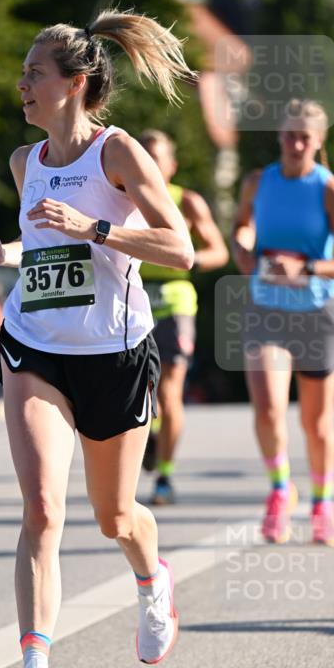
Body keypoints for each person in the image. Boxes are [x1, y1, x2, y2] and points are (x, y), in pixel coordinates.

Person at [0, 10, 195, 668]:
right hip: (35, 346)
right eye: (23, 73)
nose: (22, 84)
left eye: (34, 74)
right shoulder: (21, 161)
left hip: (116, 354)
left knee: (114, 517)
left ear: (74, 84)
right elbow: (42, 252)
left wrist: (96, 227)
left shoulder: (117, 153)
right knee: (40, 508)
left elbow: (179, 248)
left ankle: (150, 578)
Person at [231, 99, 334, 548]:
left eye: (305, 136)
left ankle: (323, 502)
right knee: (267, 406)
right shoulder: (257, 181)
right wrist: (244, 247)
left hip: (317, 312)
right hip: (266, 307)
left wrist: (307, 269)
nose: (296, 143)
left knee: (317, 421)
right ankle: (280, 488)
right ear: (279, 136)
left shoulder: (328, 189)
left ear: (319, 141)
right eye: (289, 133)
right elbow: (242, 227)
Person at [137, 129, 229, 505]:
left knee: (170, 391)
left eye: (156, 158)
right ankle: (150, 432)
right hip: (131, 303)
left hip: (175, 303)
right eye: (143, 156)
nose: (149, 165)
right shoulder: (120, 198)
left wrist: (183, 258)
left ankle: (165, 477)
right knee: (137, 392)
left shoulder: (186, 201)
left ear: (171, 165)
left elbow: (218, 252)